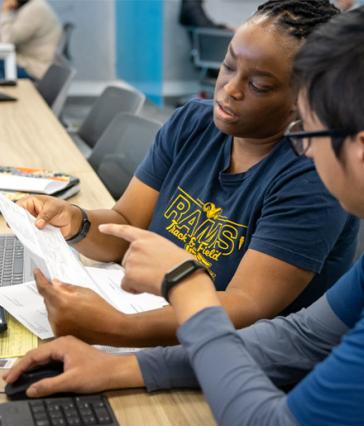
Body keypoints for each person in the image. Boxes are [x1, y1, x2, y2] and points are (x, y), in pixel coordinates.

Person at [5, 7, 364, 425]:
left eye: (308, 133)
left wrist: (177, 290)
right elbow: (298, 339)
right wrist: (119, 366)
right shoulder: (196, 125)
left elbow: (266, 394)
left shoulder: (301, 178)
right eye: (227, 67)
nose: (305, 150)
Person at [0, 0, 62, 80]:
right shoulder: (31, 6)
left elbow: (7, 40)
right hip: (30, 62)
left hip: (35, 69)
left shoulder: (35, 9)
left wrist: (5, 11)